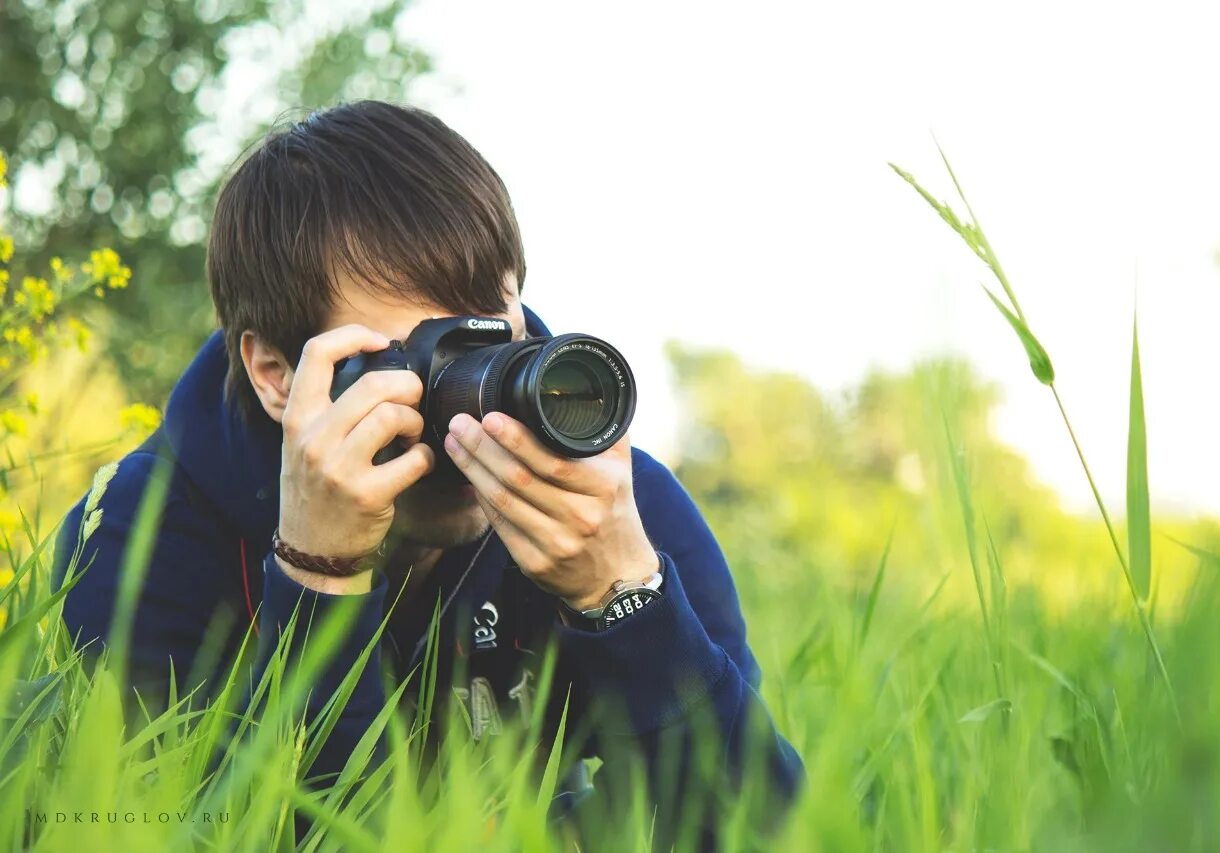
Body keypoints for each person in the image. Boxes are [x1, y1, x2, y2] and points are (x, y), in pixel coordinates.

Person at [51, 100, 803, 842]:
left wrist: (623, 600)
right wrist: (318, 577)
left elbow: (766, 831)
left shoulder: (613, 510)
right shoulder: (142, 534)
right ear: (277, 374)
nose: (469, 419)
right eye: (415, 364)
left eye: (488, 353)